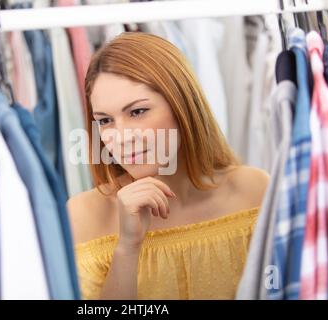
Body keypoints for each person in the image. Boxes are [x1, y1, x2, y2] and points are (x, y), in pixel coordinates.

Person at [67, 32, 269, 300]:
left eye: (137, 112)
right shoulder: (84, 215)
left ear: (181, 105)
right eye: (105, 121)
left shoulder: (255, 191)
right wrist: (127, 248)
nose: (122, 137)